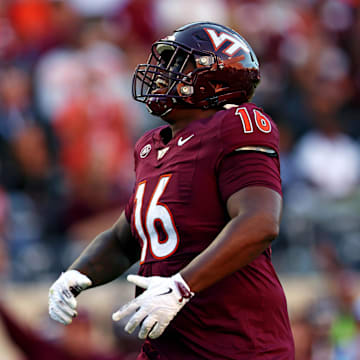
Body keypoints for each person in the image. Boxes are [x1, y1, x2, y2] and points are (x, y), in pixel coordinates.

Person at [48, 22, 295, 359]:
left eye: (178, 64)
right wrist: (76, 275)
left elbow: (260, 221)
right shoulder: (150, 146)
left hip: (237, 342)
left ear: (214, 77)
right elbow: (125, 239)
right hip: (170, 343)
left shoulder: (236, 125)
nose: (163, 73)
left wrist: (181, 285)